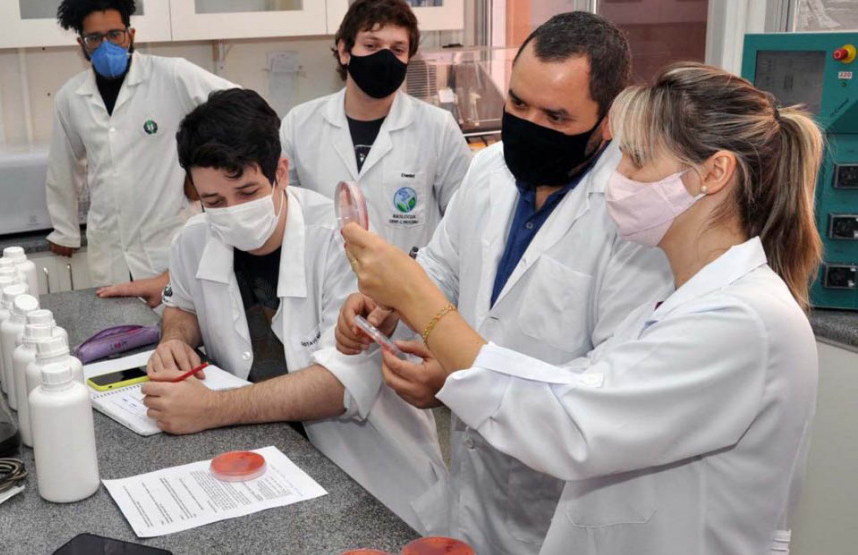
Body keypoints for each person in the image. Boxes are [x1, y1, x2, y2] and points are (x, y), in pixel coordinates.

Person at [342, 62, 823, 555]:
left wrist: (417, 298)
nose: (619, 174)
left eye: (635, 158)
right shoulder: (681, 302)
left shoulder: (744, 322)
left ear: (713, 173)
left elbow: (569, 424)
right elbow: (569, 385)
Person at [336, 12, 674, 553]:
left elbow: (602, 392)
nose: (529, 124)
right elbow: (444, 268)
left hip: (561, 511)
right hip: (472, 492)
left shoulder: (634, 215)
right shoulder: (491, 168)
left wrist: (453, 385)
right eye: (517, 104)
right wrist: (390, 303)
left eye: (556, 116)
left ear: (608, 120)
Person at [143, 89, 445, 533]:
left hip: (369, 483)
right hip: (262, 469)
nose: (233, 213)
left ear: (280, 172)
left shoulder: (344, 242)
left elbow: (338, 386)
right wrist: (174, 340)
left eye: (247, 191)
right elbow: (183, 305)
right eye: (215, 202)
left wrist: (209, 409)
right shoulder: (193, 239)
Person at [46, 0, 236, 294]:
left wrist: (197, 166)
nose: (106, 45)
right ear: (81, 44)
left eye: (114, 34)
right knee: (119, 334)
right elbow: (64, 165)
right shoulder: (71, 97)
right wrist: (65, 230)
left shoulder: (171, 75)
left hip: (168, 245)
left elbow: (238, 104)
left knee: (178, 332)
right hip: (110, 253)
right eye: (94, 38)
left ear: (130, 34)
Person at [280, 0, 471, 254]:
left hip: (407, 288)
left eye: (397, 49)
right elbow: (285, 217)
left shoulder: (438, 128)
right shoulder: (299, 124)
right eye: (371, 45)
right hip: (326, 287)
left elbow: (465, 220)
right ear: (345, 51)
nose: (384, 58)